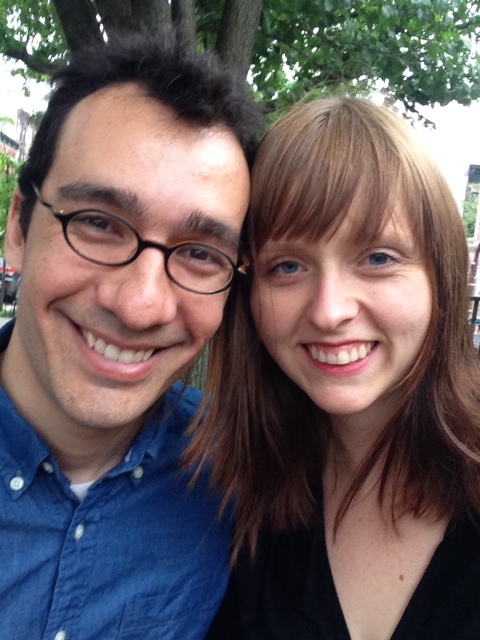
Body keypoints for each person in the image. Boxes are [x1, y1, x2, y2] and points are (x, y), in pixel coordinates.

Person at [187, 96, 480, 639]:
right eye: (287, 266)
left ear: (440, 273)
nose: (328, 310)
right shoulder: (228, 493)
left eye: (377, 258)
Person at [0, 35, 262, 639]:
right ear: (18, 226)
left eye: (200, 254)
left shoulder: (239, 476)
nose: (141, 306)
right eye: (98, 223)